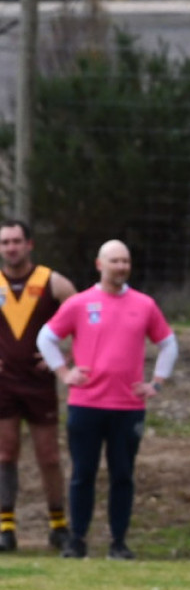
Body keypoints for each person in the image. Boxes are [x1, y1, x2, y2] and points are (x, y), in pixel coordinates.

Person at [36, 240, 176, 560]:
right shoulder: (80, 303)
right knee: (83, 473)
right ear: (100, 265)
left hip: (127, 408)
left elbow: (168, 344)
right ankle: (78, 539)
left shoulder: (145, 305)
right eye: (115, 261)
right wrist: (64, 373)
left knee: (123, 475)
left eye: (125, 261)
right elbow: (46, 337)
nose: (121, 267)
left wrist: (156, 382)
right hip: (86, 404)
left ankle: (119, 542)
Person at [0, 219, 75, 552]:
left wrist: (65, 357)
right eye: (5, 243)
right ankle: (5, 527)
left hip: (40, 383)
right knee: (5, 453)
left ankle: (58, 524)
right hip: (4, 384)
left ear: (29, 244)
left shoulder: (52, 282)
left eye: (16, 241)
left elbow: (84, 319)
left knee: (49, 456)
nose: (10, 248)